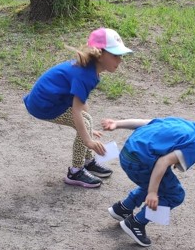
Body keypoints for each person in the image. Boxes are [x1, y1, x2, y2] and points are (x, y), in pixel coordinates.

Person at [102, 108, 195, 247]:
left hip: (127, 153)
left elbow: (147, 122)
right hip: (140, 163)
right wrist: (152, 193)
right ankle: (136, 223)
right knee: (175, 195)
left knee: (161, 182)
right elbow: (162, 162)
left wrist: (117, 123)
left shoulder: (183, 123)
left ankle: (123, 208)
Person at [23, 28, 132, 188]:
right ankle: (75, 171)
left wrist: (88, 129)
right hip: (43, 105)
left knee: (86, 122)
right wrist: (87, 139)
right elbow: (76, 110)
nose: (120, 60)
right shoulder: (85, 75)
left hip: (52, 101)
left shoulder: (90, 71)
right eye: (115, 55)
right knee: (84, 124)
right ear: (100, 54)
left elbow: (81, 102)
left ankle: (88, 162)